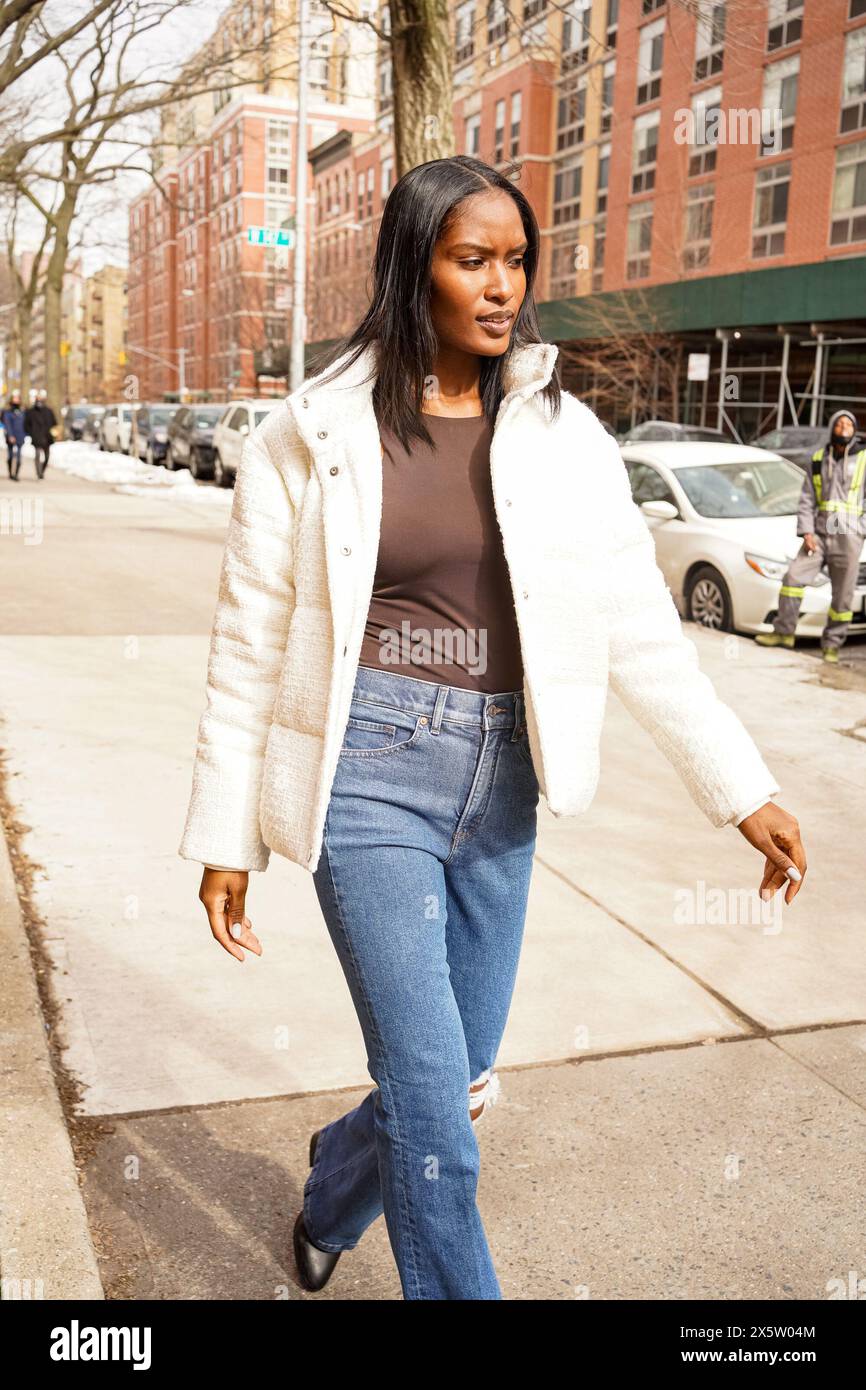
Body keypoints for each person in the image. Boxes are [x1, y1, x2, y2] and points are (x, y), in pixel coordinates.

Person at [178, 156, 807, 1301]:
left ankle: (333, 1184)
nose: (501, 284)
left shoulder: (560, 433)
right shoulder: (310, 431)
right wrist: (229, 833)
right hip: (365, 770)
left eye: (515, 260)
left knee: (456, 1078)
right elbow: (249, 643)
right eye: (472, 259)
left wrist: (739, 786)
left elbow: (634, 621)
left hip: (507, 773)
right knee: (439, 1115)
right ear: (410, 265)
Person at [755, 410, 866, 662]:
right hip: (819, 534)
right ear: (832, 428)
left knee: (843, 595)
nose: (844, 427)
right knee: (793, 577)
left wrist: (861, 529)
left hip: (848, 537)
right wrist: (806, 531)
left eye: (849, 423)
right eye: (839, 423)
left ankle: (832, 646)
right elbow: (807, 499)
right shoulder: (818, 459)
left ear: (855, 429)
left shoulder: (863, 459)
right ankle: (784, 632)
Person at [24, 390, 57, 479]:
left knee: (47, 457)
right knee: (37, 455)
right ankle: (39, 473)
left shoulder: (49, 411)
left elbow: (54, 423)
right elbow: (26, 424)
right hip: (36, 436)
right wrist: (31, 433)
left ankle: (42, 470)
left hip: (47, 437)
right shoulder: (31, 411)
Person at [2, 392, 26, 481]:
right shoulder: (7, 411)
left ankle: (16, 474)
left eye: (18, 398)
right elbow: (7, 424)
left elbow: (25, 424)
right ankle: (10, 473)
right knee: (11, 456)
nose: (16, 400)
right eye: (14, 398)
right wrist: (10, 435)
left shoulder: (23, 411)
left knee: (19, 457)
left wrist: (25, 434)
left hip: (20, 436)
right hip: (10, 436)